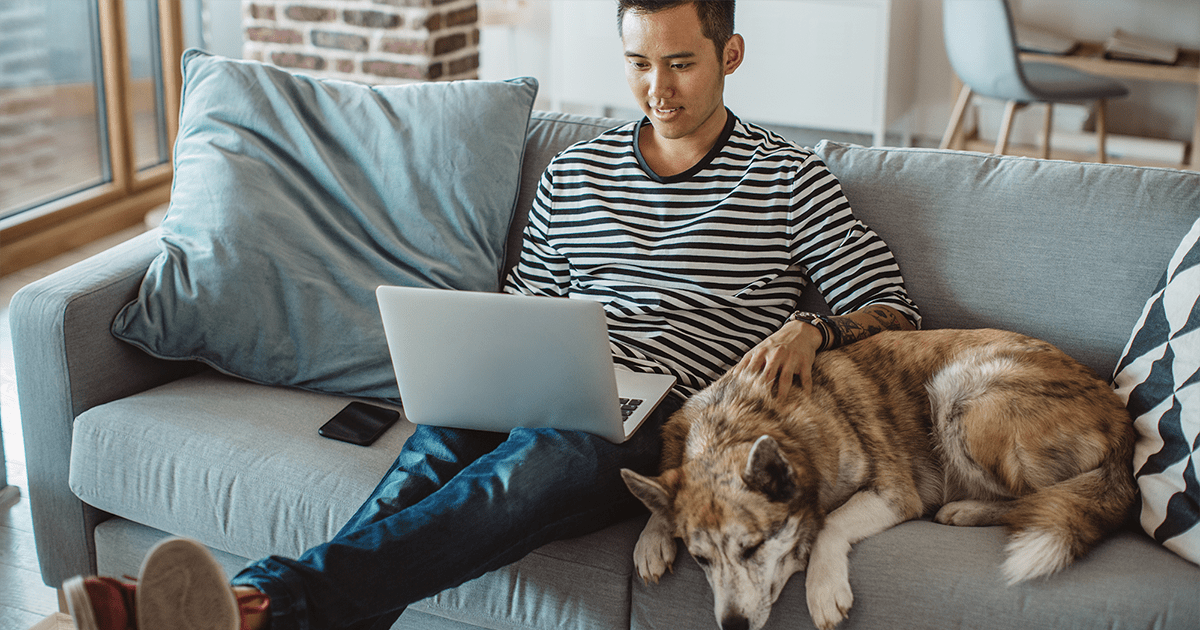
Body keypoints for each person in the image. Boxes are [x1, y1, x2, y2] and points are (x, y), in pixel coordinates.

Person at [64, 2, 919, 629]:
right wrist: (486, 363)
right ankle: (267, 612)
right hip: (559, 379)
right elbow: (525, 308)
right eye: (637, 64)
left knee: (535, 462)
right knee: (428, 457)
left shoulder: (788, 179)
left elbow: (898, 311)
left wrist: (816, 327)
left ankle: (261, 600)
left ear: (729, 52)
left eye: (681, 63)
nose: (656, 89)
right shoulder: (575, 175)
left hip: (675, 420)